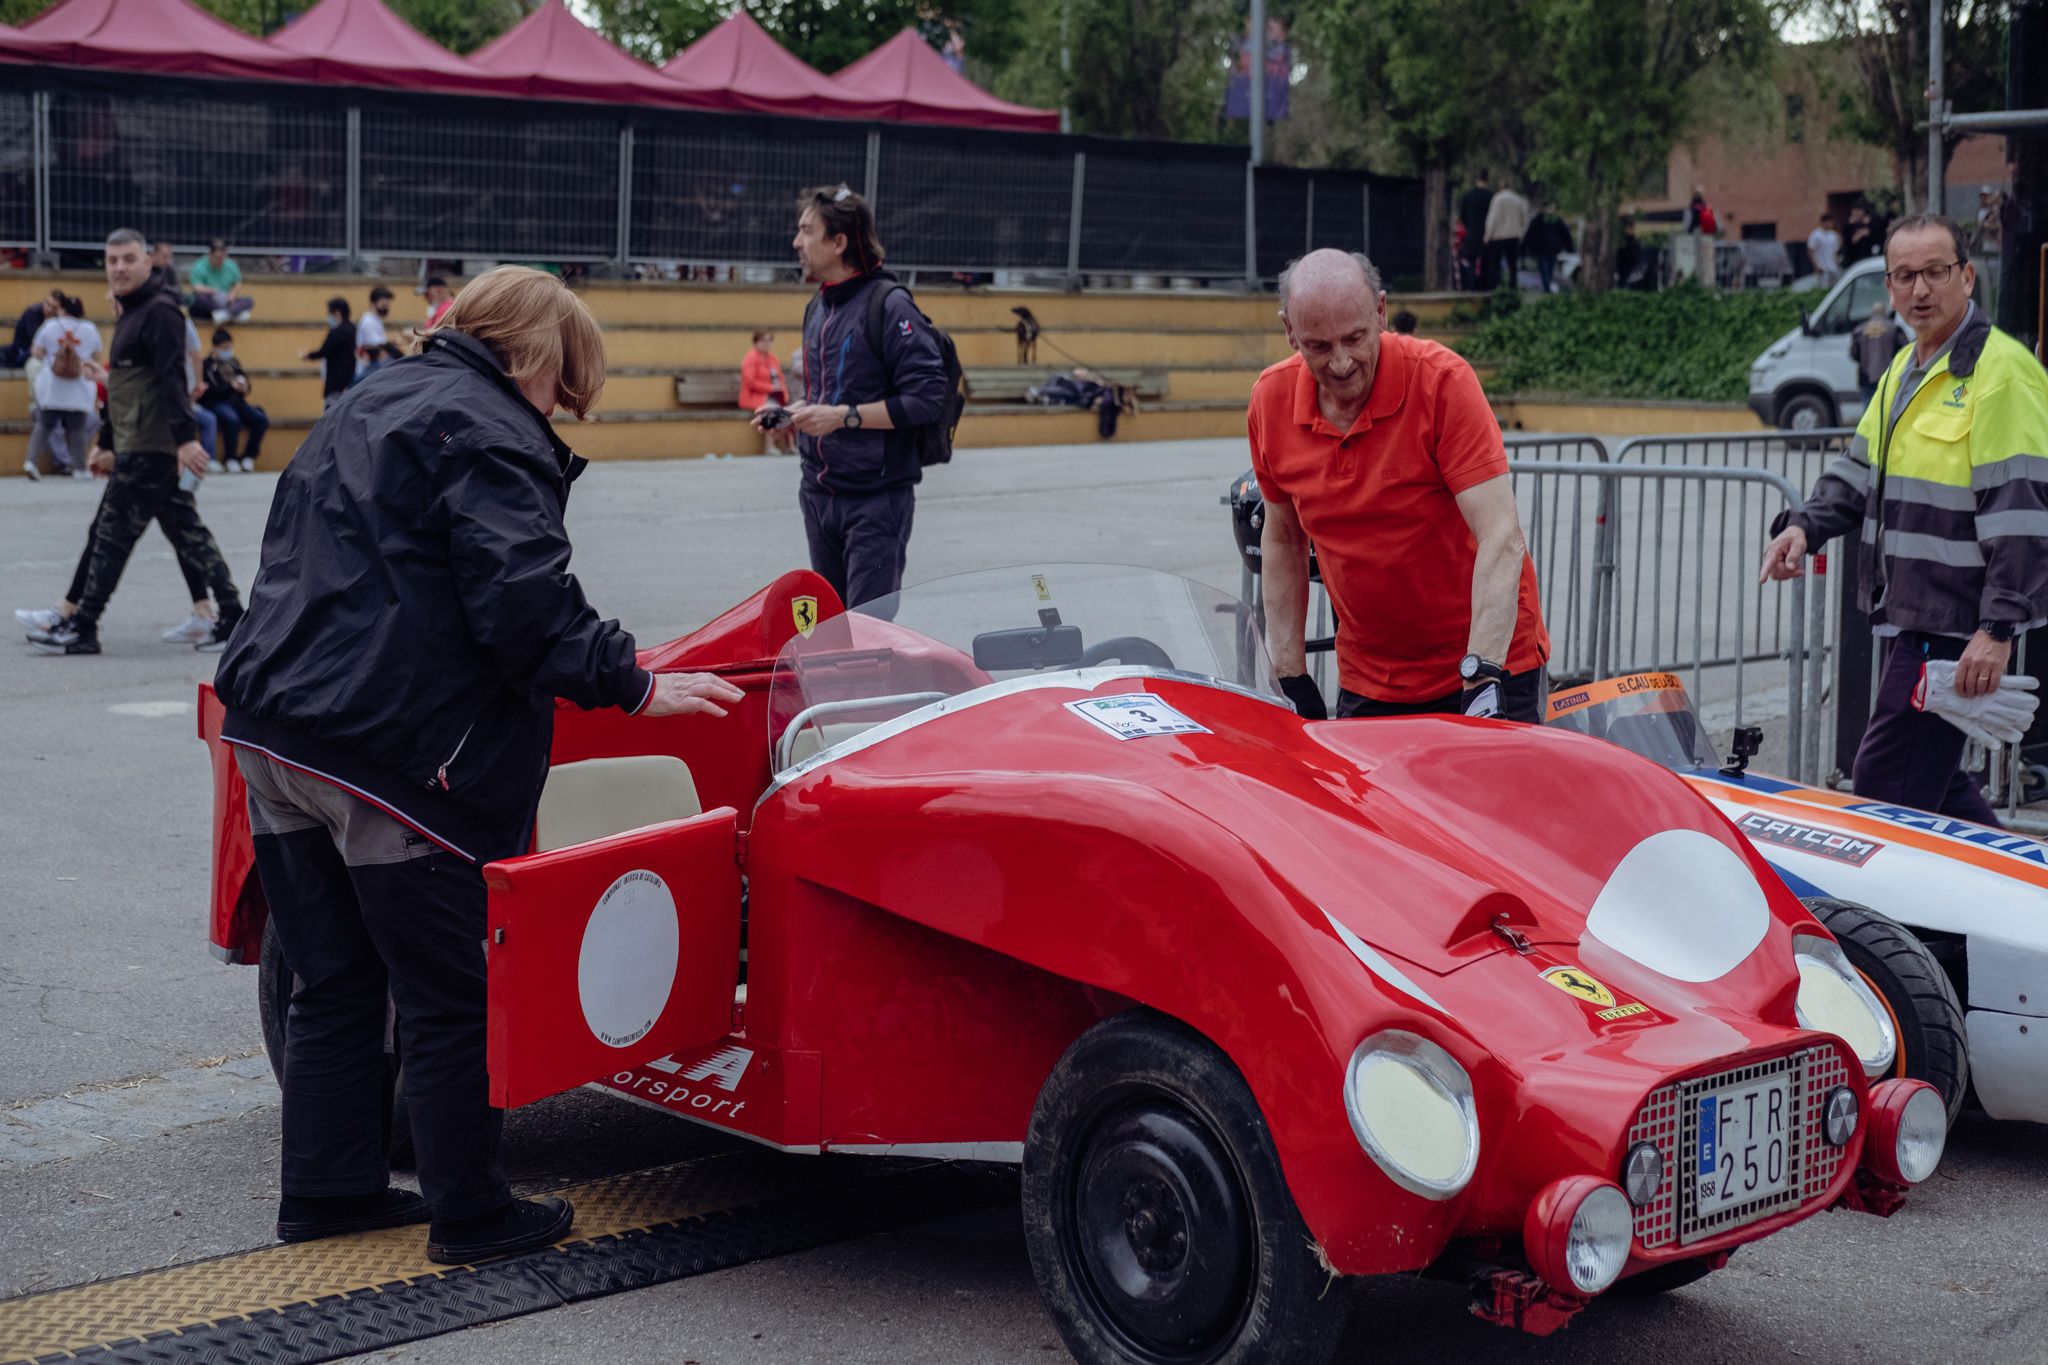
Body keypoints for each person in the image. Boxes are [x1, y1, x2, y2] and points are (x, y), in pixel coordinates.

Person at [211, 265, 746, 1262]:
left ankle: (329, 1192)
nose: (562, 405)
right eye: (564, 382)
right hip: (389, 752)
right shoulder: (488, 425)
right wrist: (629, 683)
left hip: (273, 730)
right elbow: (521, 604)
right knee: (451, 994)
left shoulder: (366, 399)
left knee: (331, 985)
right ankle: (471, 1215)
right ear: (536, 354)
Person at [1761, 215, 2048, 826]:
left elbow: (2021, 512)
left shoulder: (2001, 373)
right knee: (1937, 793)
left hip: (1954, 625)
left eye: (1936, 272)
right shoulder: (1904, 369)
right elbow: (1858, 472)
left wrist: (1998, 629)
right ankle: (2023, 908)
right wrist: (1803, 526)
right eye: (1904, 276)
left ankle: (1891, 925)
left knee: (1886, 788)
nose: (1921, 290)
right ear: (1888, 288)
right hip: (1915, 614)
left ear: (1967, 278)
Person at [1250, 249, 1551, 723]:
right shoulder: (1270, 400)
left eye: (1355, 338)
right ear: (1290, 331)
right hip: (1373, 676)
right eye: (1319, 347)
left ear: (1381, 312)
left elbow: (1501, 535)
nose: (1343, 363)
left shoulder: (1442, 383)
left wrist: (1481, 674)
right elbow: (1283, 537)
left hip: (1487, 663)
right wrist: (1288, 673)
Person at [26, 228, 243, 657]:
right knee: (187, 534)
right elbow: (127, 387)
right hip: (138, 442)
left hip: (152, 445)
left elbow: (170, 380)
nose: (119, 267)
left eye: (128, 259)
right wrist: (107, 440)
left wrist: (184, 441)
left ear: (148, 261)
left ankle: (83, 625)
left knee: (111, 536)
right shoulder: (131, 313)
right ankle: (233, 616)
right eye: (112, 261)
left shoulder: (161, 312)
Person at [757, 185, 949, 610]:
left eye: (806, 231)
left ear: (838, 242)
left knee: (868, 636)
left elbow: (928, 398)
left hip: (875, 501)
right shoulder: (819, 306)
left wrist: (844, 417)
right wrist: (789, 412)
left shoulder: (891, 306)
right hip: (819, 495)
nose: (796, 242)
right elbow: (827, 396)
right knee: (829, 629)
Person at [24, 293, 101, 481]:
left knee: (44, 424)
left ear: (62, 309)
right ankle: (79, 468)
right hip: (79, 386)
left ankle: (31, 461)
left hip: (53, 386)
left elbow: (37, 352)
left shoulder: (50, 326)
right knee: (78, 428)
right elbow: (96, 358)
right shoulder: (90, 329)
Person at [203, 327, 267, 472]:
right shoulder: (206, 366)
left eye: (229, 347)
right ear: (215, 347)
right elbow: (208, 392)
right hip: (216, 402)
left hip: (237, 401)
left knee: (260, 419)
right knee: (232, 420)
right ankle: (230, 458)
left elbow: (245, 382)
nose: (228, 351)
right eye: (224, 348)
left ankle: (248, 456)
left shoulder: (234, 363)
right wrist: (230, 387)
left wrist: (244, 387)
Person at [739, 329, 791, 454]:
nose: (767, 344)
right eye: (763, 341)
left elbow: (780, 379)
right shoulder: (750, 358)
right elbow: (749, 382)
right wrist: (771, 388)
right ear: (756, 343)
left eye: (769, 341)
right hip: (754, 397)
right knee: (770, 409)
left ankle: (789, 446)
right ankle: (769, 447)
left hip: (774, 396)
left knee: (790, 410)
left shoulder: (772, 358)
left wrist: (784, 392)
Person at [1847, 302, 1906, 402]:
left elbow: (1853, 354)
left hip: (1866, 378)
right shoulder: (1894, 328)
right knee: (1887, 407)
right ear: (1885, 313)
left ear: (1872, 313)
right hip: (1889, 376)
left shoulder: (1859, 329)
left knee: (1868, 409)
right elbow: (1906, 350)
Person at [304, 297, 356, 410]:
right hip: (351, 382)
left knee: (332, 419)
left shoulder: (337, 332)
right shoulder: (353, 330)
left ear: (337, 313)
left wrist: (308, 355)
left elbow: (324, 351)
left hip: (335, 384)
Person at [1482, 178, 1531, 293]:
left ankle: (1493, 287)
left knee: (1495, 263)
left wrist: (1488, 234)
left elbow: (1493, 218)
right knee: (1512, 264)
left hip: (1499, 236)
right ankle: (1513, 287)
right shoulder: (1518, 199)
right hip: (1514, 235)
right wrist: (1521, 232)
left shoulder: (1498, 199)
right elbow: (1524, 218)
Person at [189, 239, 254, 322]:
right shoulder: (200, 265)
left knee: (249, 301)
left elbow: (237, 283)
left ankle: (227, 313)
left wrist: (232, 295)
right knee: (198, 300)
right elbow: (197, 287)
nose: (220, 261)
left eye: (222, 258)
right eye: (217, 258)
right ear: (210, 254)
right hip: (209, 299)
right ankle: (232, 312)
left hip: (226, 300)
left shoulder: (230, 265)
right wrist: (213, 291)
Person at [1457, 171, 1494, 292]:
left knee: (1470, 261)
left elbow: (1462, 216)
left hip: (1472, 233)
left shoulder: (1468, 196)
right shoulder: (1491, 196)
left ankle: (1470, 286)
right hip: (1487, 234)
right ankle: (1484, 288)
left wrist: (1469, 227)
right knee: (1486, 262)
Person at [1522, 207, 1573, 294]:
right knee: (1549, 266)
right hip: (1552, 246)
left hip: (1541, 246)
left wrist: (1524, 247)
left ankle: (1546, 284)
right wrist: (1569, 246)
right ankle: (1547, 284)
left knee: (1543, 266)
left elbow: (1530, 232)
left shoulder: (1539, 218)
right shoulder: (1555, 218)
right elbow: (1565, 232)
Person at [5, 288, 59, 368]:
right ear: (43, 302)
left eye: (54, 308)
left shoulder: (59, 317)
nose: (50, 309)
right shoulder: (33, 312)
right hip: (23, 349)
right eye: (48, 304)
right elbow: (35, 338)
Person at [354, 286, 394, 384]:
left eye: (387, 306)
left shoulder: (376, 320)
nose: (386, 309)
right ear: (373, 303)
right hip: (367, 371)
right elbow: (377, 347)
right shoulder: (368, 321)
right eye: (383, 305)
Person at [1807, 212, 1842, 286]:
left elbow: (1836, 252)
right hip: (1822, 269)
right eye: (1828, 222)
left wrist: (1837, 264)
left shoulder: (1834, 235)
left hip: (1833, 268)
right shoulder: (1816, 235)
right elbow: (1810, 251)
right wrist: (1816, 266)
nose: (1830, 224)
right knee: (1823, 287)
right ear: (1823, 223)